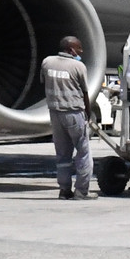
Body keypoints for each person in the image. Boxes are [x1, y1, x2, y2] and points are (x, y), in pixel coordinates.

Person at [42, 34, 95, 200]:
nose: (81, 51)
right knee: (83, 153)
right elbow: (85, 92)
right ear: (71, 49)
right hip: (73, 113)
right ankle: (81, 191)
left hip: (55, 113)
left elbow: (43, 82)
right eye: (79, 48)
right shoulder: (78, 66)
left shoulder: (47, 62)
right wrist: (88, 113)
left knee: (62, 155)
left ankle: (64, 190)